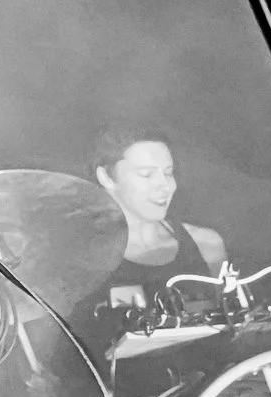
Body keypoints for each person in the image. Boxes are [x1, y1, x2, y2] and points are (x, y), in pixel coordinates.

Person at [90, 125, 228, 313]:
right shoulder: (81, 257)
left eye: (168, 173)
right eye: (146, 174)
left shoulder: (206, 244)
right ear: (106, 177)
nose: (165, 186)